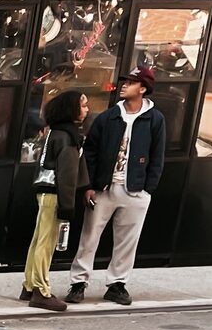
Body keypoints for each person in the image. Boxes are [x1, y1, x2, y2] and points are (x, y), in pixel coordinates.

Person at [68, 66, 166, 305]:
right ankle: (78, 283)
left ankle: (117, 284)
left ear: (143, 89)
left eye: (131, 82)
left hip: (135, 189)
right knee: (89, 237)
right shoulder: (108, 117)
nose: (124, 85)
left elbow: (158, 156)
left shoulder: (155, 119)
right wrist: (89, 185)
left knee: (127, 240)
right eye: (125, 81)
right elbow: (89, 152)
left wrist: (147, 189)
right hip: (103, 188)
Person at [24, 90, 89, 311]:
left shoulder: (54, 133)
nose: (86, 110)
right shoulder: (68, 137)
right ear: (71, 109)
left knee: (38, 240)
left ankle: (29, 285)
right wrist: (68, 206)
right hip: (55, 194)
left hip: (44, 190)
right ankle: (41, 292)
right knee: (47, 243)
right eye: (83, 105)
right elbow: (67, 174)